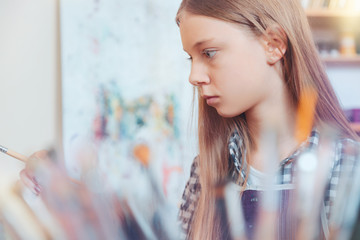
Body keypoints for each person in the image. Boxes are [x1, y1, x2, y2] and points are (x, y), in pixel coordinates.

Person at [175, 0, 360, 239]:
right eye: (191, 58)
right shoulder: (205, 170)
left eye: (209, 53)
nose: (194, 76)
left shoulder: (346, 166)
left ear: (273, 44)